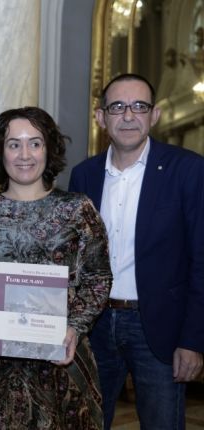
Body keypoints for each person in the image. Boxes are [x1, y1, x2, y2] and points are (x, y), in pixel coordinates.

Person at [0, 107, 112, 429]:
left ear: (48, 150)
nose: (25, 154)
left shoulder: (78, 210)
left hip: (62, 361)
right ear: (0, 152)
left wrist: (74, 328)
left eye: (35, 143)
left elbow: (98, 276)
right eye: (14, 144)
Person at [69, 73, 204, 429]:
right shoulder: (84, 176)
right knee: (87, 422)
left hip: (158, 329)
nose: (128, 116)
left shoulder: (188, 171)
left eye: (139, 106)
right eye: (118, 107)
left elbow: (201, 261)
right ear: (101, 117)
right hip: (94, 328)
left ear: (154, 115)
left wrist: (193, 340)